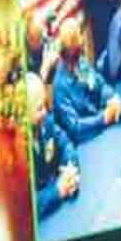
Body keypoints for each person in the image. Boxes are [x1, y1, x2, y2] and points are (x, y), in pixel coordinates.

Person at [51, 19, 121, 142]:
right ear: (70, 47)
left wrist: (112, 98)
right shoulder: (60, 86)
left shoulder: (81, 65)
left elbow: (99, 85)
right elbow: (75, 127)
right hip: (83, 141)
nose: (82, 41)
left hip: (99, 129)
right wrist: (103, 118)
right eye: (78, 38)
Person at [28, 76, 81, 217]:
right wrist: (58, 190)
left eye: (45, 104)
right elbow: (27, 205)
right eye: (39, 109)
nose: (46, 112)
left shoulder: (47, 122)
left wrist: (70, 169)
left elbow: (66, 144)